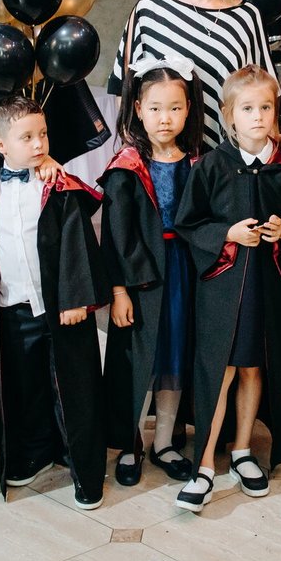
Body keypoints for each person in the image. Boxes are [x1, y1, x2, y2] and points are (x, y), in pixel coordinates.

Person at [173, 65, 281, 512]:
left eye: (265, 107)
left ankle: (243, 450)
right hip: (222, 289)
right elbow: (188, 223)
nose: (257, 116)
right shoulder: (212, 166)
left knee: (253, 367)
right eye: (247, 108)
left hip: (267, 289)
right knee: (221, 370)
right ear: (229, 115)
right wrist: (226, 234)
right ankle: (205, 464)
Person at [0, 96, 110, 510]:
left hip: (61, 307)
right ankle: (34, 453)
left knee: (74, 389)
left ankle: (85, 471)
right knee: (24, 387)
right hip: (12, 307)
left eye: (42, 134)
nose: (39, 143)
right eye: (26, 137)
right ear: (0, 145)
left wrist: (76, 297)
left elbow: (78, 239)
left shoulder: (57, 186)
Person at [99, 54, 203, 487]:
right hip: (141, 278)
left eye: (175, 108)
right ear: (138, 109)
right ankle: (130, 443)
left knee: (175, 355)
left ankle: (164, 442)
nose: (165, 118)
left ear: (189, 109)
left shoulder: (197, 162)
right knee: (138, 360)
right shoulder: (126, 167)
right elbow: (114, 235)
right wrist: (119, 290)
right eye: (156, 108)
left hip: (184, 273)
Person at [109, 0, 275, 151]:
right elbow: (123, 88)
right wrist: (135, 147)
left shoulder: (246, 17)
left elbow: (265, 92)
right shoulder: (150, 9)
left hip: (225, 158)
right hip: (160, 156)